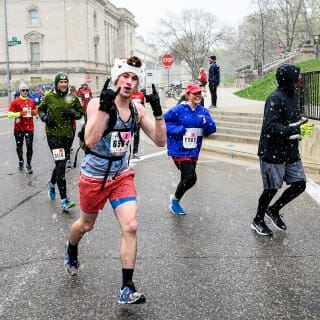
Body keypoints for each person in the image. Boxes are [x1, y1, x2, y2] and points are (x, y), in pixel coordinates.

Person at [63, 56, 166, 304]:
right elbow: (90, 141)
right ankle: (72, 247)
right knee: (86, 226)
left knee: (130, 226)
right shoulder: (98, 103)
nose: (129, 82)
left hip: (120, 175)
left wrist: (159, 113)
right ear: (116, 78)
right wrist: (103, 109)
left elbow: (161, 141)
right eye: (125, 77)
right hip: (94, 177)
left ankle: (127, 288)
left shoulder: (137, 110)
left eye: (134, 78)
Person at [251, 64, 314, 236]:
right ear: (290, 79)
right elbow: (270, 127)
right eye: (298, 75)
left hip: (290, 150)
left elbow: (289, 120)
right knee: (271, 188)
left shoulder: (294, 95)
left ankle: (274, 210)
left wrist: (299, 126)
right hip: (272, 152)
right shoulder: (275, 98)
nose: (301, 78)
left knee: (300, 184)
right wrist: (295, 129)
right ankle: (257, 220)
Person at [164, 83, 216, 215]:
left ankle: (175, 200)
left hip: (193, 151)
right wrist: (178, 130)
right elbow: (163, 122)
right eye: (195, 93)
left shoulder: (203, 111)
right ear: (188, 95)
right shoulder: (178, 110)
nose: (198, 96)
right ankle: (174, 201)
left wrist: (207, 123)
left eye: (199, 93)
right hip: (179, 149)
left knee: (186, 178)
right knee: (191, 177)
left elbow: (211, 129)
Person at [38, 72, 85, 212]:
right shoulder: (49, 96)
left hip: (67, 135)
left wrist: (72, 113)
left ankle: (51, 183)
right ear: (56, 83)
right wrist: (45, 117)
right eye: (61, 82)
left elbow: (80, 113)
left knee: (61, 162)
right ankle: (64, 200)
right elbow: (40, 110)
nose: (63, 84)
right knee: (61, 164)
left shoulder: (73, 97)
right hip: (53, 135)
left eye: (65, 82)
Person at [7, 83, 37, 174]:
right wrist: (19, 114)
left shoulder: (31, 101)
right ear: (20, 91)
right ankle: (21, 160)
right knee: (19, 147)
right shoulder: (15, 102)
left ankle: (28, 164)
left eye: (26, 90)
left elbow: (35, 112)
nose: (25, 92)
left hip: (29, 128)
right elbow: (9, 114)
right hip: (19, 128)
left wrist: (33, 112)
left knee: (29, 147)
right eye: (23, 90)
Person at [131, 88, 145, 158]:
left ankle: (135, 152)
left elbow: (143, 105)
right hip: (130, 118)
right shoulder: (129, 94)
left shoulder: (141, 94)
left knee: (136, 135)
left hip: (138, 118)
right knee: (126, 135)